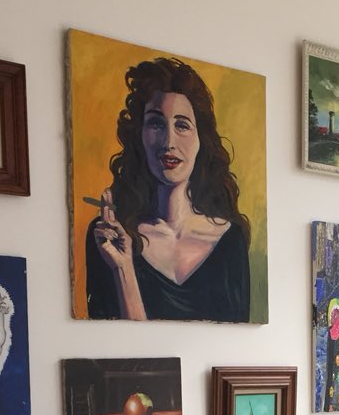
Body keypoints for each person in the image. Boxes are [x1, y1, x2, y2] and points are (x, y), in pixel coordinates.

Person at [86, 57, 251, 322]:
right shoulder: (108, 237)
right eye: (156, 124)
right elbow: (116, 345)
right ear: (139, 135)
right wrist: (123, 268)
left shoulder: (230, 240)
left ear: (201, 139)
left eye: (182, 125)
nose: (169, 141)